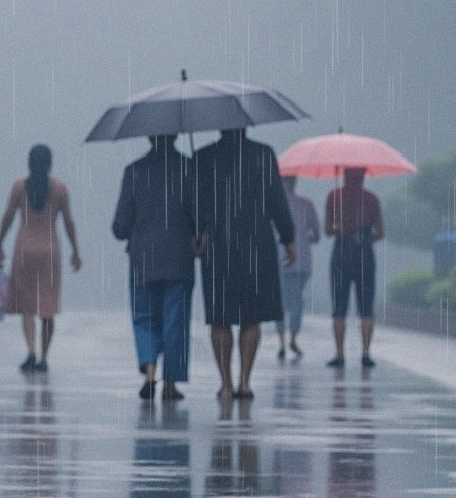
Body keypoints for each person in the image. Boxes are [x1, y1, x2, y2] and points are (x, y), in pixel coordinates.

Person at [192, 128, 296, 401]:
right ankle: (244, 381)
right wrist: (288, 238)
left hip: (219, 243)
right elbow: (276, 200)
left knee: (220, 316)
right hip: (256, 243)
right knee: (252, 315)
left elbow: (194, 201)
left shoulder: (202, 158)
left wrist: (197, 231)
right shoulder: (263, 155)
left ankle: (225, 383)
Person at [111, 134, 196, 402]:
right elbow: (199, 214)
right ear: (177, 135)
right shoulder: (189, 168)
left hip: (143, 258)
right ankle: (170, 382)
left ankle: (149, 373)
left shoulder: (134, 172)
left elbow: (120, 226)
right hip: (179, 256)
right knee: (175, 320)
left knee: (145, 316)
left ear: (148, 137)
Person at [0, 144, 82, 374]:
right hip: (49, 252)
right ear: (50, 164)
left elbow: (8, 217)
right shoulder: (60, 189)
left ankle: (31, 352)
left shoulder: (19, 187)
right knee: (47, 306)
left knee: (27, 306)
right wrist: (75, 251)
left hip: (24, 250)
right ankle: (44, 358)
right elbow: (68, 222)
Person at [324, 167, 384, 369]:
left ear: (344, 176)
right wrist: (364, 239)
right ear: (363, 177)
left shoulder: (334, 197)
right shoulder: (371, 199)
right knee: (366, 307)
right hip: (365, 255)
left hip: (341, 253)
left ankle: (340, 354)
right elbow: (380, 232)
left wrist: (342, 229)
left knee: (339, 307)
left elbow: (328, 230)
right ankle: (366, 353)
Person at [276, 176, 321, 360]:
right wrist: (302, 238)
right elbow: (316, 235)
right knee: (296, 301)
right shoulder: (306, 205)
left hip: (280, 259)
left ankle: (281, 342)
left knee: (280, 301)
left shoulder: (276, 205)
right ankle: (293, 338)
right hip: (301, 261)